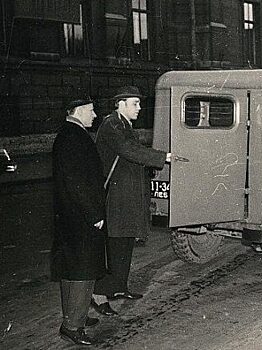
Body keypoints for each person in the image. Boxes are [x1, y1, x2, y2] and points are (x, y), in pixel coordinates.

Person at [91, 86, 171, 315]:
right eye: (135, 103)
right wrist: (161, 157)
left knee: (125, 240)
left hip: (126, 192)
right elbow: (128, 149)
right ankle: (99, 293)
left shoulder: (123, 124)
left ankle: (118, 287)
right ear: (121, 103)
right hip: (117, 195)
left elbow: (132, 150)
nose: (139, 107)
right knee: (116, 243)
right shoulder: (112, 124)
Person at [51, 98, 107, 345]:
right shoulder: (74, 137)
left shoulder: (69, 133)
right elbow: (77, 183)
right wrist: (94, 215)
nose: (95, 115)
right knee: (83, 271)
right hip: (82, 218)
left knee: (72, 270)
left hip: (71, 217)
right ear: (80, 111)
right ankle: (73, 325)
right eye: (91, 110)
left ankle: (75, 317)